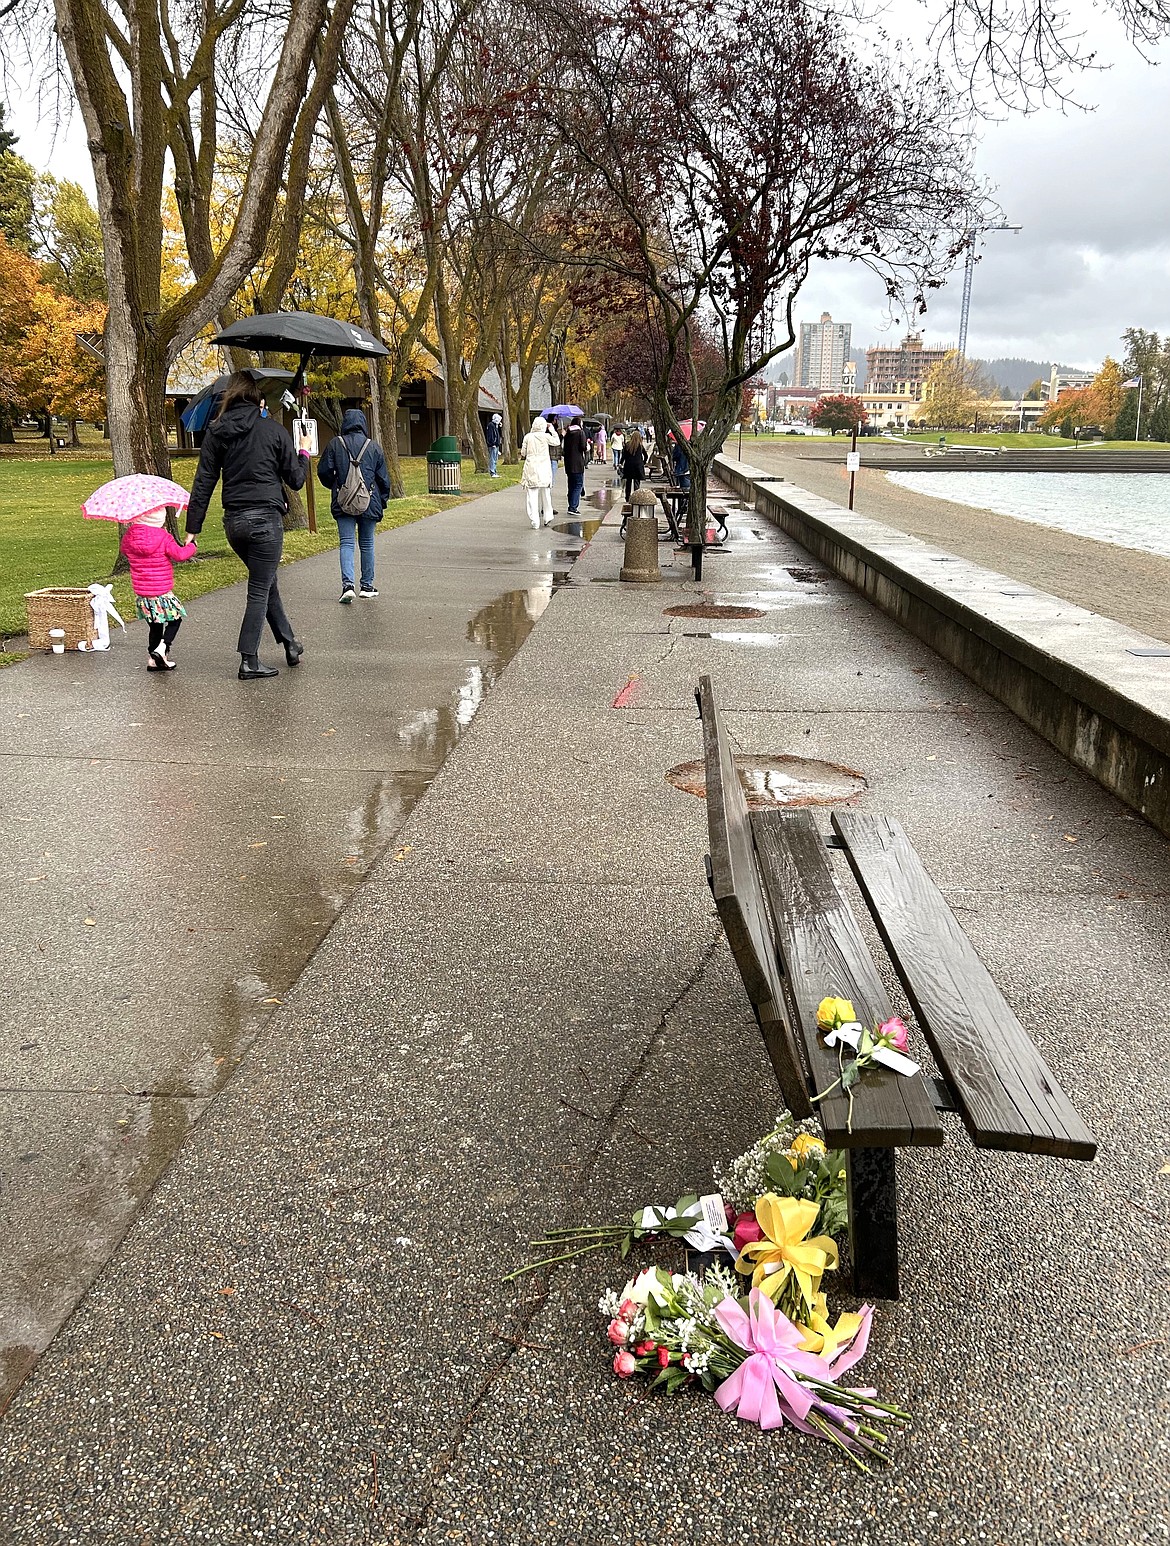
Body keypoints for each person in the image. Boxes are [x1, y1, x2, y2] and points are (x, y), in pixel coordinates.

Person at [186, 370, 308, 680]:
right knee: (259, 588)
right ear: (258, 399)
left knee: (266, 583)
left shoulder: (216, 433)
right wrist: (304, 451)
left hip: (234, 524)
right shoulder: (273, 430)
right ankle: (249, 659)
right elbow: (295, 479)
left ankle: (290, 642)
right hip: (265, 521)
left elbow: (204, 482)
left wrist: (193, 527)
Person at [316, 408, 392, 603]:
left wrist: (335, 485)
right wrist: (382, 501)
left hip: (344, 501)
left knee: (347, 543)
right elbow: (383, 479)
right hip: (369, 500)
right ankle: (367, 585)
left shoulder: (335, 444)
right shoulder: (373, 447)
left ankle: (347, 586)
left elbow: (324, 471)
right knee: (367, 543)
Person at [120, 508, 197, 671]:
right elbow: (180, 555)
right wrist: (192, 546)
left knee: (155, 625)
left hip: (142, 592)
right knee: (175, 620)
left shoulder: (128, 537)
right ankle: (162, 649)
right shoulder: (163, 537)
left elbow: (125, 551)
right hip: (161, 591)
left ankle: (153, 660)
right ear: (158, 518)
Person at [520, 413, 556, 528]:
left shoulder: (528, 437)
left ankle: (535, 520)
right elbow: (557, 442)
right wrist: (552, 429)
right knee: (546, 494)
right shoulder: (545, 436)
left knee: (532, 495)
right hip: (544, 466)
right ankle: (547, 516)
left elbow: (523, 453)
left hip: (531, 466)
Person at [562, 414, 588, 516]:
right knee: (578, 485)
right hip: (578, 463)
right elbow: (583, 447)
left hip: (568, 463)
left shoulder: (567, 434)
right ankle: (573, 507)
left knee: (571, 485)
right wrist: (587, 447)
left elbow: (564, 449)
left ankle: (570, 505)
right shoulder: (580, 433)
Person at [618, 427, 646, 502]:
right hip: (638, 466)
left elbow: (623, 456)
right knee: (637, 482)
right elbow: (646, 455)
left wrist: (620, 463)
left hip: (629, 466)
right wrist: (643, 462)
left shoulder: (627, 445)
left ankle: (627, 497)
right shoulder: (640, 446)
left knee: (628, 482)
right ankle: (636, 497)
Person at [545, 414, 562, 502]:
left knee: (550, 482)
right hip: (551, 456)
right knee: (550, 481)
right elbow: (555, 443)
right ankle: (547, 504)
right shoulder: (549, 431)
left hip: (552, 456)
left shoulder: (552, 430)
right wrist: (561, 435)